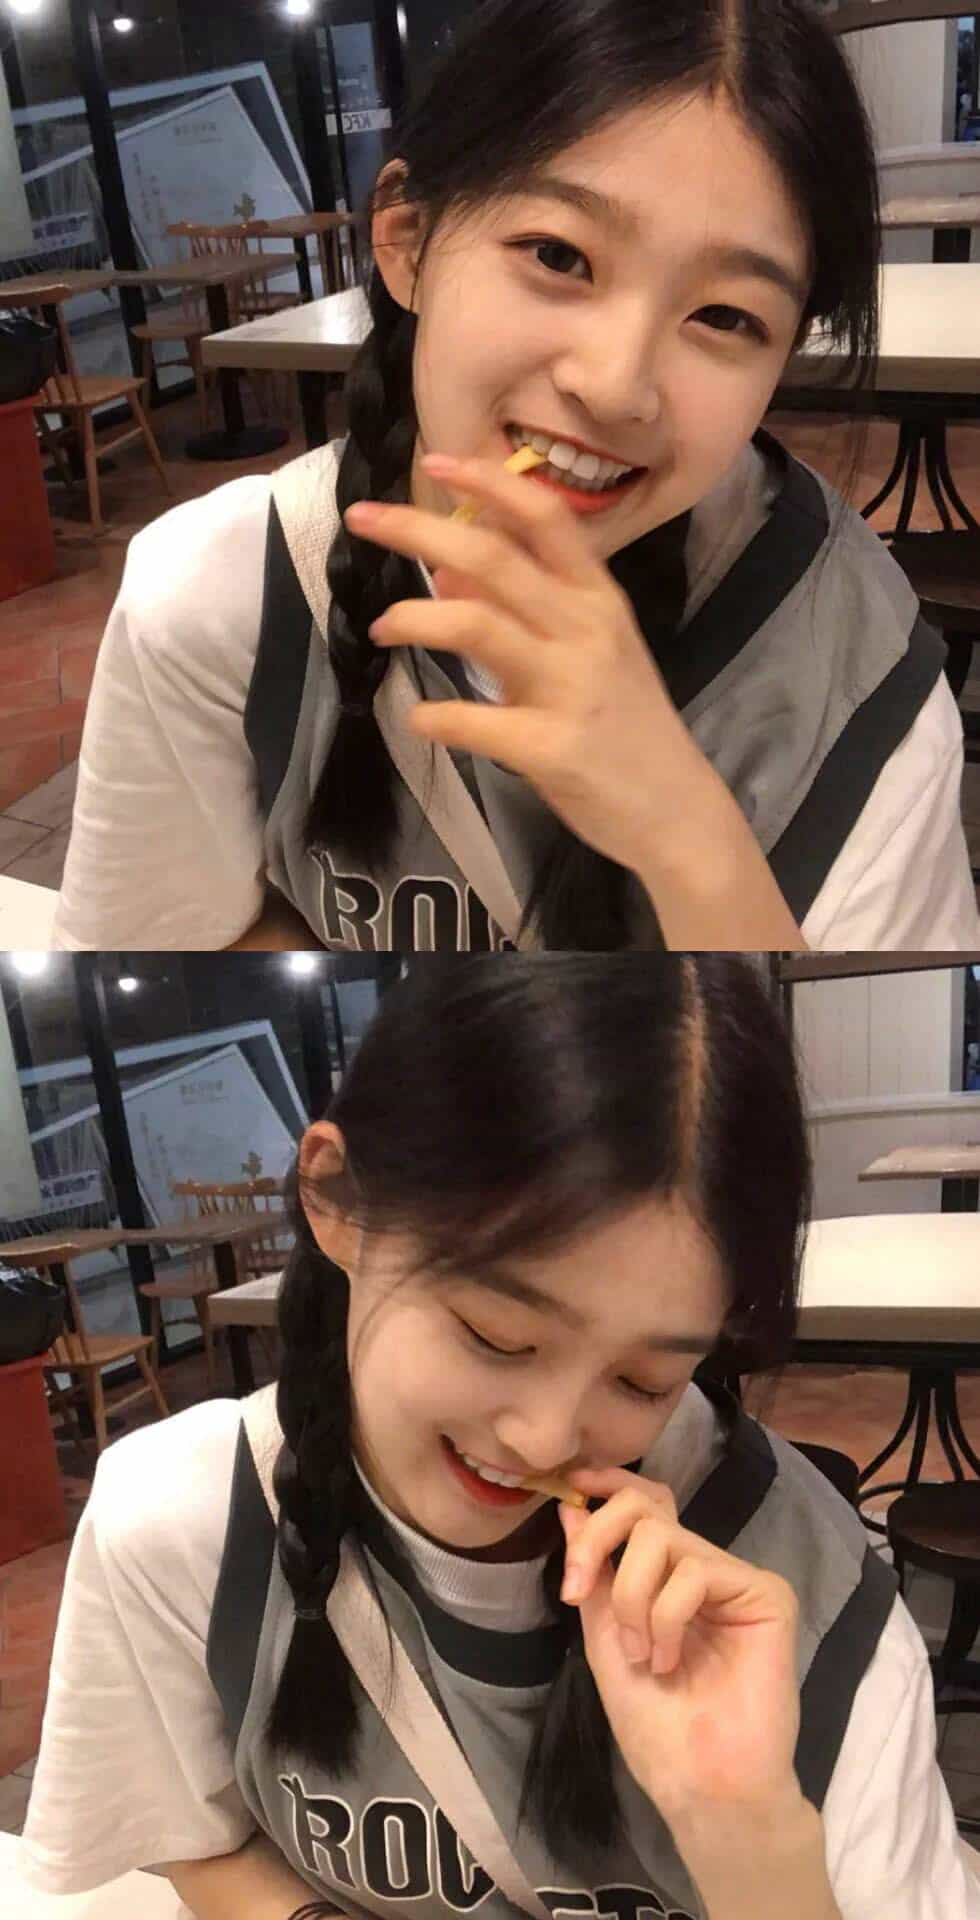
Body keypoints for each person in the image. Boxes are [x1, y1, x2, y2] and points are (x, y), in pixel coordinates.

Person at [19, 956, 979, 1919]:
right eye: (496, 1336)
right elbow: (196, 1839)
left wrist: (744, 1827)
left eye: (644, 1381)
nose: (545, 1438)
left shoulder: (810, 1597)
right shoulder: (186, 1524)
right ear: (338, 1198)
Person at [51, 0, 979, 954]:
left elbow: (840, 1043)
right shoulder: (225, 599)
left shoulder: (853, 663)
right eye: (558, 256)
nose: (616, 386)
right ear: (407, 240)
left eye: (725, 317)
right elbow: (163, 967)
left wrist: (684, 828)